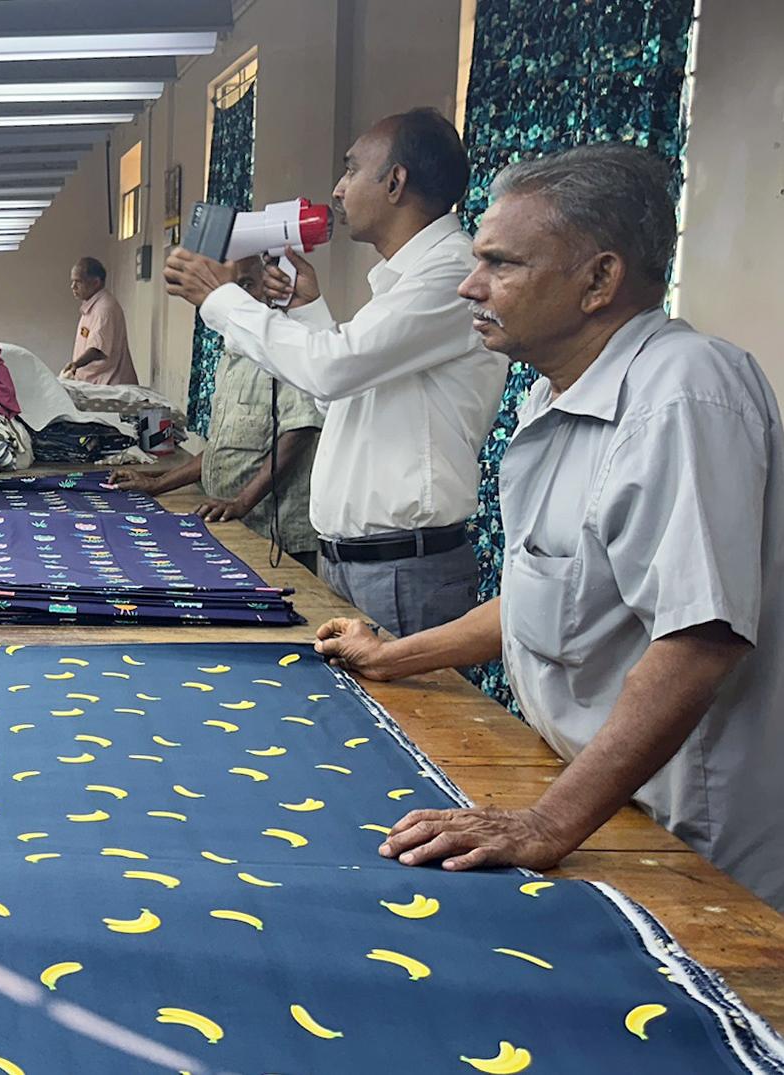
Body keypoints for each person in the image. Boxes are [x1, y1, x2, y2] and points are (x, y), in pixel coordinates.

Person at [315, 145, 784, 910]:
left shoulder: (683, 392)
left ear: (598, 280)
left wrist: (543, 823)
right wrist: (393, 656)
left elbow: (699, 641)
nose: (471, 286)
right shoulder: (551, 394)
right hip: (589, 798)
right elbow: (543, 591)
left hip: (680, 836)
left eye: (501, 264)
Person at [163, 107, 507, 636]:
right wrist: (307, 310)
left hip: (401, 569)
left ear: (395, 182)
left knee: (408, 717)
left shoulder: (451, 273)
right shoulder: (399, 282)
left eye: (350, 171)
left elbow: (333, 370)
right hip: (359, 563)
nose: (339, 191)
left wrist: (221, 298)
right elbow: (336, 398)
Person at [109, 256, 323, 569]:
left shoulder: (287, 347)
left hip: (275, 535)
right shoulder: (232, 357)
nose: (233, 297)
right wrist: (157, 483)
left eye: (246, 285)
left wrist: (242, 501)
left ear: (273, 288)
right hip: (235, 523)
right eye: (227, 286)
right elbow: (220, 451)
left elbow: (299, 432)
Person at [62, 256, 138, 385]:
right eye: (72, 281)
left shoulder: (104, 308)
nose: (73, 286)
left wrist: (76, 364)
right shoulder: (92, 306)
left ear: (96, 282)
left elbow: (97, 350)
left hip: (109, 385)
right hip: (95, 383)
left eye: (78, 282)